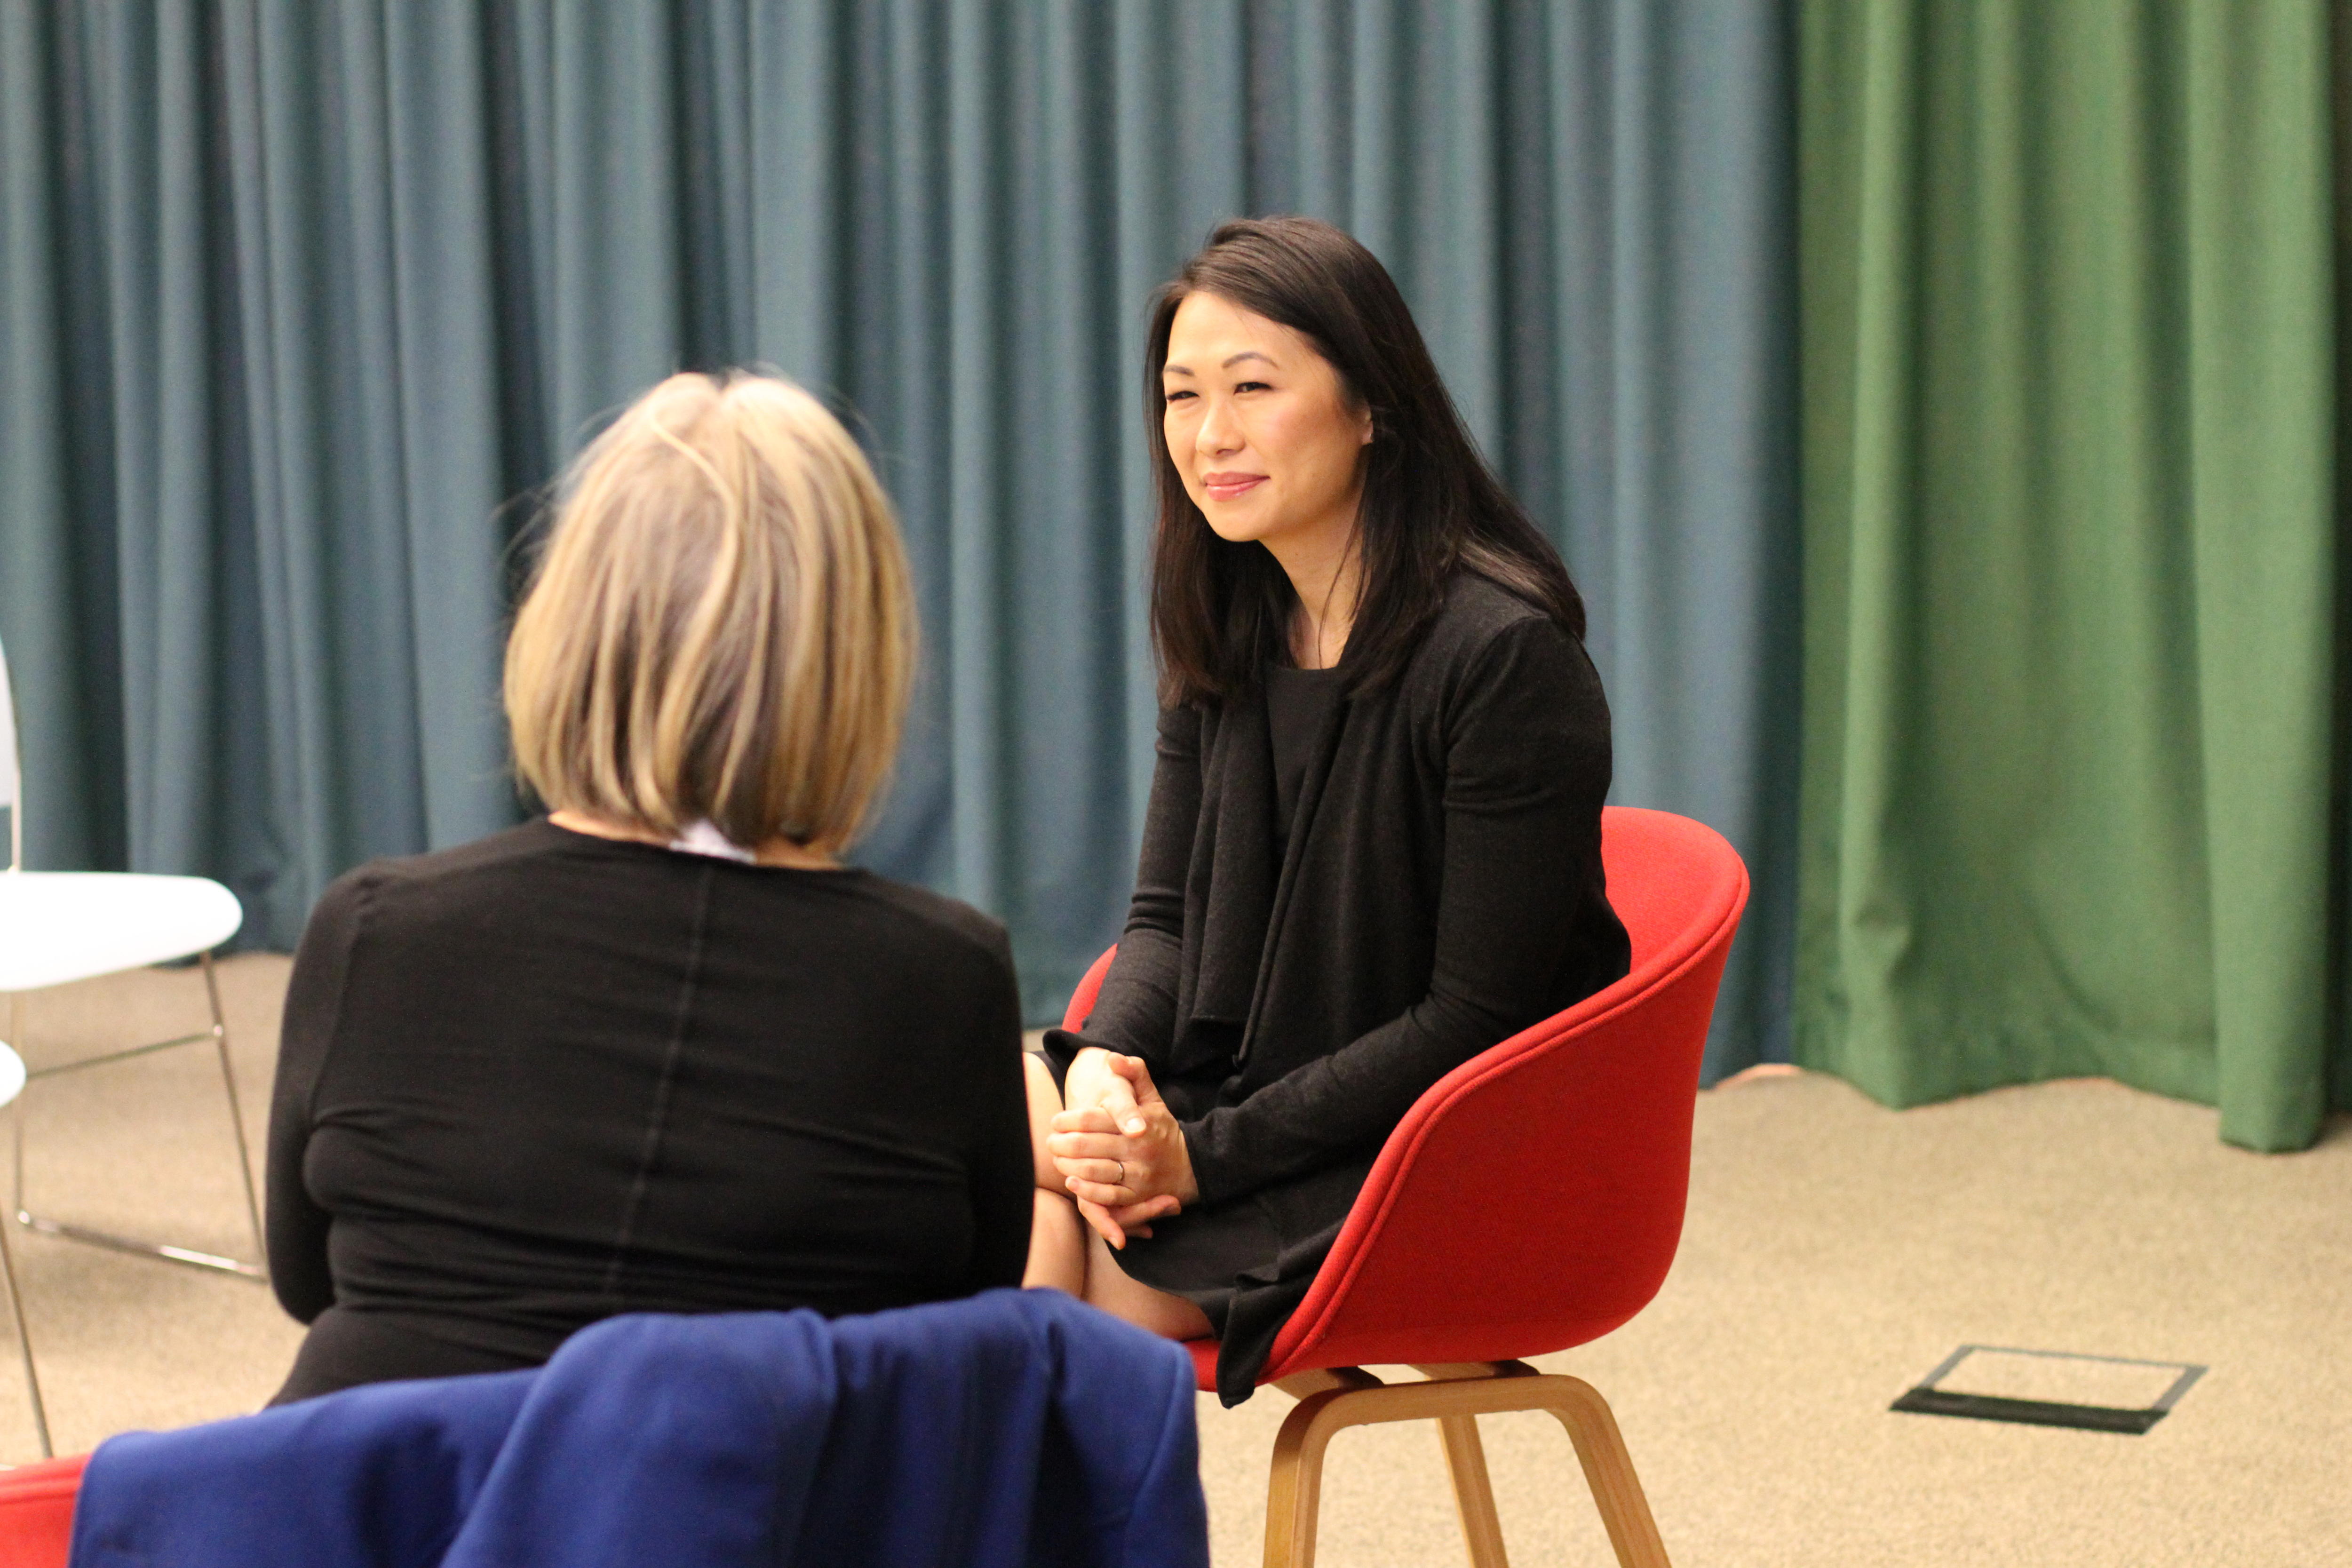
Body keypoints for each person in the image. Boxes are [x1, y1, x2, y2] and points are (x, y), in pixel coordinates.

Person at [264, 372, 1032, 1404]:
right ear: (858, 657)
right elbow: (959, 1302)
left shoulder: (375, 927)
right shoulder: (945, 975)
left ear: (571, 624)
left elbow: (308, 1277)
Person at [1025, 217, 1633, 1404]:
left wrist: (1191, 1162)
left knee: (1043, 1237)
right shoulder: (1232, 622)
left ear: (1371, 408)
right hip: (1244, 1093)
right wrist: (1106, 1070)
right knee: (995, 1118)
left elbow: (1472, 1018)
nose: (1211, 436)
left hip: (1424, 1151)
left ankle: (998, 1507)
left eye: (1254, 387)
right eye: (1181, 395)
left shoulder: (1503, 658)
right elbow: (1162, 918)